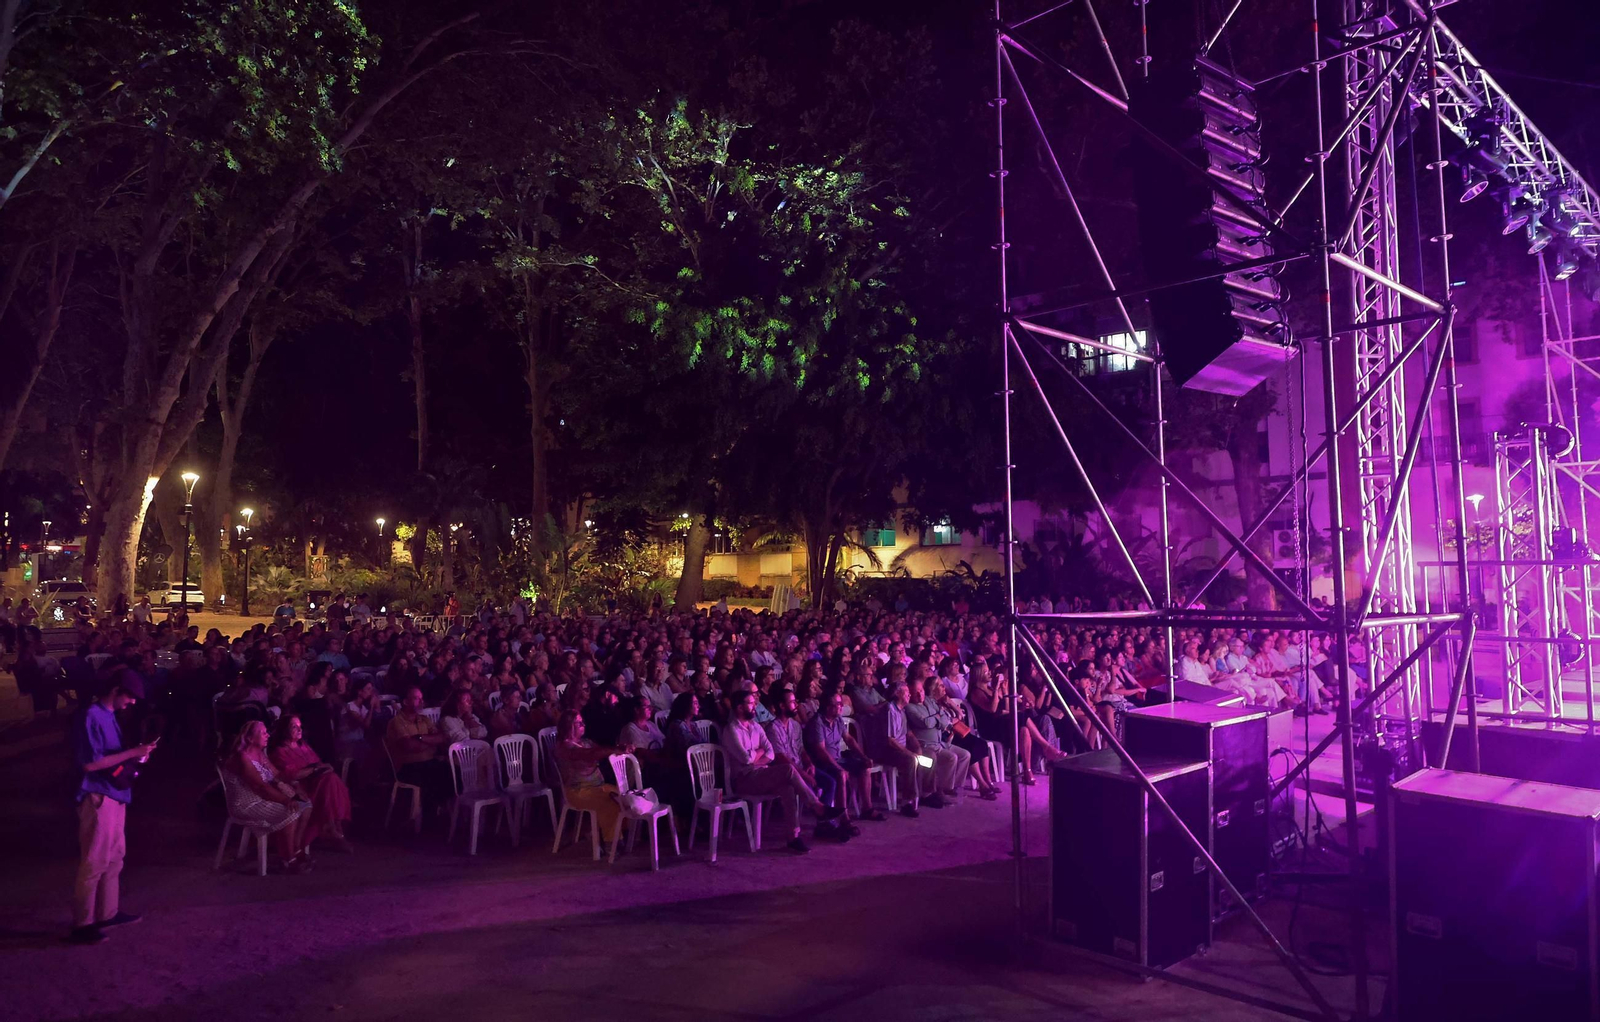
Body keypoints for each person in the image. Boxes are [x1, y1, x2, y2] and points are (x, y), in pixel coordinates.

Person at [68, 674, 156, 944]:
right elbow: (91, 764)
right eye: (129, 696)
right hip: (98, 796)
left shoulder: (108, 715)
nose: (131, 702)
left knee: (115, 857)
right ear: (116, 690)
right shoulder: (91, 716)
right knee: (94, 860)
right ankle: (83, 924)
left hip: (116, 794)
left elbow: (111, 756)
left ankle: (107, 913)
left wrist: (137, 754)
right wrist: (132, 754)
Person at [723, 688, 840, 852]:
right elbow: (745, 759)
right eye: (750, 704)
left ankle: (793, 837)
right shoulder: (731, 730)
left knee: (788, 788)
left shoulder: (756, 727)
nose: (755, 707)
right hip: (743, 780)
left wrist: (757, 754)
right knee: (787, 769)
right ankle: (817, 806)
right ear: (740, 707)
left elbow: (769, 753)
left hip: (760, 774)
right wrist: (759, 753)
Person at [224, 720, 312, 874]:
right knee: (290, 811)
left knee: (305, 806)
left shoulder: (260, 754)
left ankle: (295, 849)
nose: (268, 735)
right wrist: (286, 800)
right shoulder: (242, 757)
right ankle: (288, 859)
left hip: (261, 798)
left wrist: (295, 785)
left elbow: (277, 775)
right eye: (263, 733)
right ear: (250, 739)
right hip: (246, 803)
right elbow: (260, 787)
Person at [269, 716, 353, 852]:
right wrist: (314, 769)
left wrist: (325, 767)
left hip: (318, 782)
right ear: (285, 730)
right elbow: (292, 775)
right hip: (301, 787)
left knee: (331, 779)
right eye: (294, 726)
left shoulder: (303, 746)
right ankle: (335, 830)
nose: (299, 729)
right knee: (329, 781)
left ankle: (335, 828)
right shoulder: (280, 751)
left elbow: (317, 762)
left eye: (299, 726)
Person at [551, 711, 621, 854]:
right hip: (578, 791)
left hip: (598, 787)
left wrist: (620, 749)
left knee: (624, 797)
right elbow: (589, 755)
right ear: (569, 726)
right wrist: (613, 750)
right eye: (578, 723)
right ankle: (611, 843)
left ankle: (609, 834)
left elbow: (599, 750)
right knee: (608, 803)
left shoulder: (586, 742)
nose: (583, 725)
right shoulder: (564, 747)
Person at [384, 687, 452, 812]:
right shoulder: (396, 722)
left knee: (450, 770)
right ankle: (427, 815)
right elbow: (409, 746)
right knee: (432, 775)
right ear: (405, 702)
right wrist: (431, 742)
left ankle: (442, 809)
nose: (421, 702)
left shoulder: (424, 720)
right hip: (407, 766)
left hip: (428, 762)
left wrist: (420, 738)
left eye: (421, 698)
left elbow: (442, 737)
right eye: (416, 698)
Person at [904, 677, 972, 801]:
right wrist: (937, 717)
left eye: (921, 691)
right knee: (950, 758)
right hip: (924, 746)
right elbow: (924, 723)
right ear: (909, 694)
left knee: (965, 755)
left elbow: (946, 719)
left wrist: (935, 718)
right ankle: (941, 790)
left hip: (940, 743)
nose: (920, 695)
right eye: (916, 693)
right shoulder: (910, 707)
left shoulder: (929, 702)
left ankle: (953, 786)